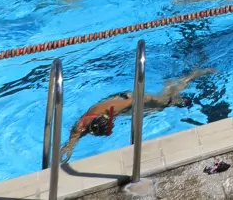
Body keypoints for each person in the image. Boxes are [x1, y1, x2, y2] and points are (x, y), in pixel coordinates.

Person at [62, 69, 212, 163]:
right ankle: (171, 86)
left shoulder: (109, 109)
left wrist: (162, 101)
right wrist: (64, 154)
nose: (112, 129)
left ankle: (193, 75)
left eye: (110, 127)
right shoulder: (80, 128)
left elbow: (142, 100)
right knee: (158, 109)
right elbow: (70, 144)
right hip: (125, 109)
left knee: (164, 105)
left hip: (129, 100)